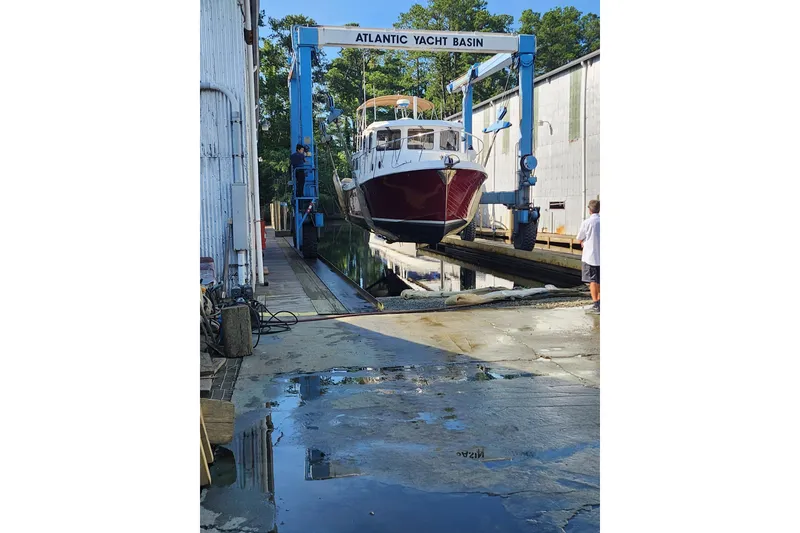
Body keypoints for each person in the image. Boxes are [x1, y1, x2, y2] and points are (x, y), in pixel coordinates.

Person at [576, 199, 600, 313]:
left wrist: (582, 242)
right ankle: (600, 301)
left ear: (590, 210)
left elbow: (580, 237)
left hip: (591, 256)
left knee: (593, 281)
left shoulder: (587, 223)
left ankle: (596, 304)